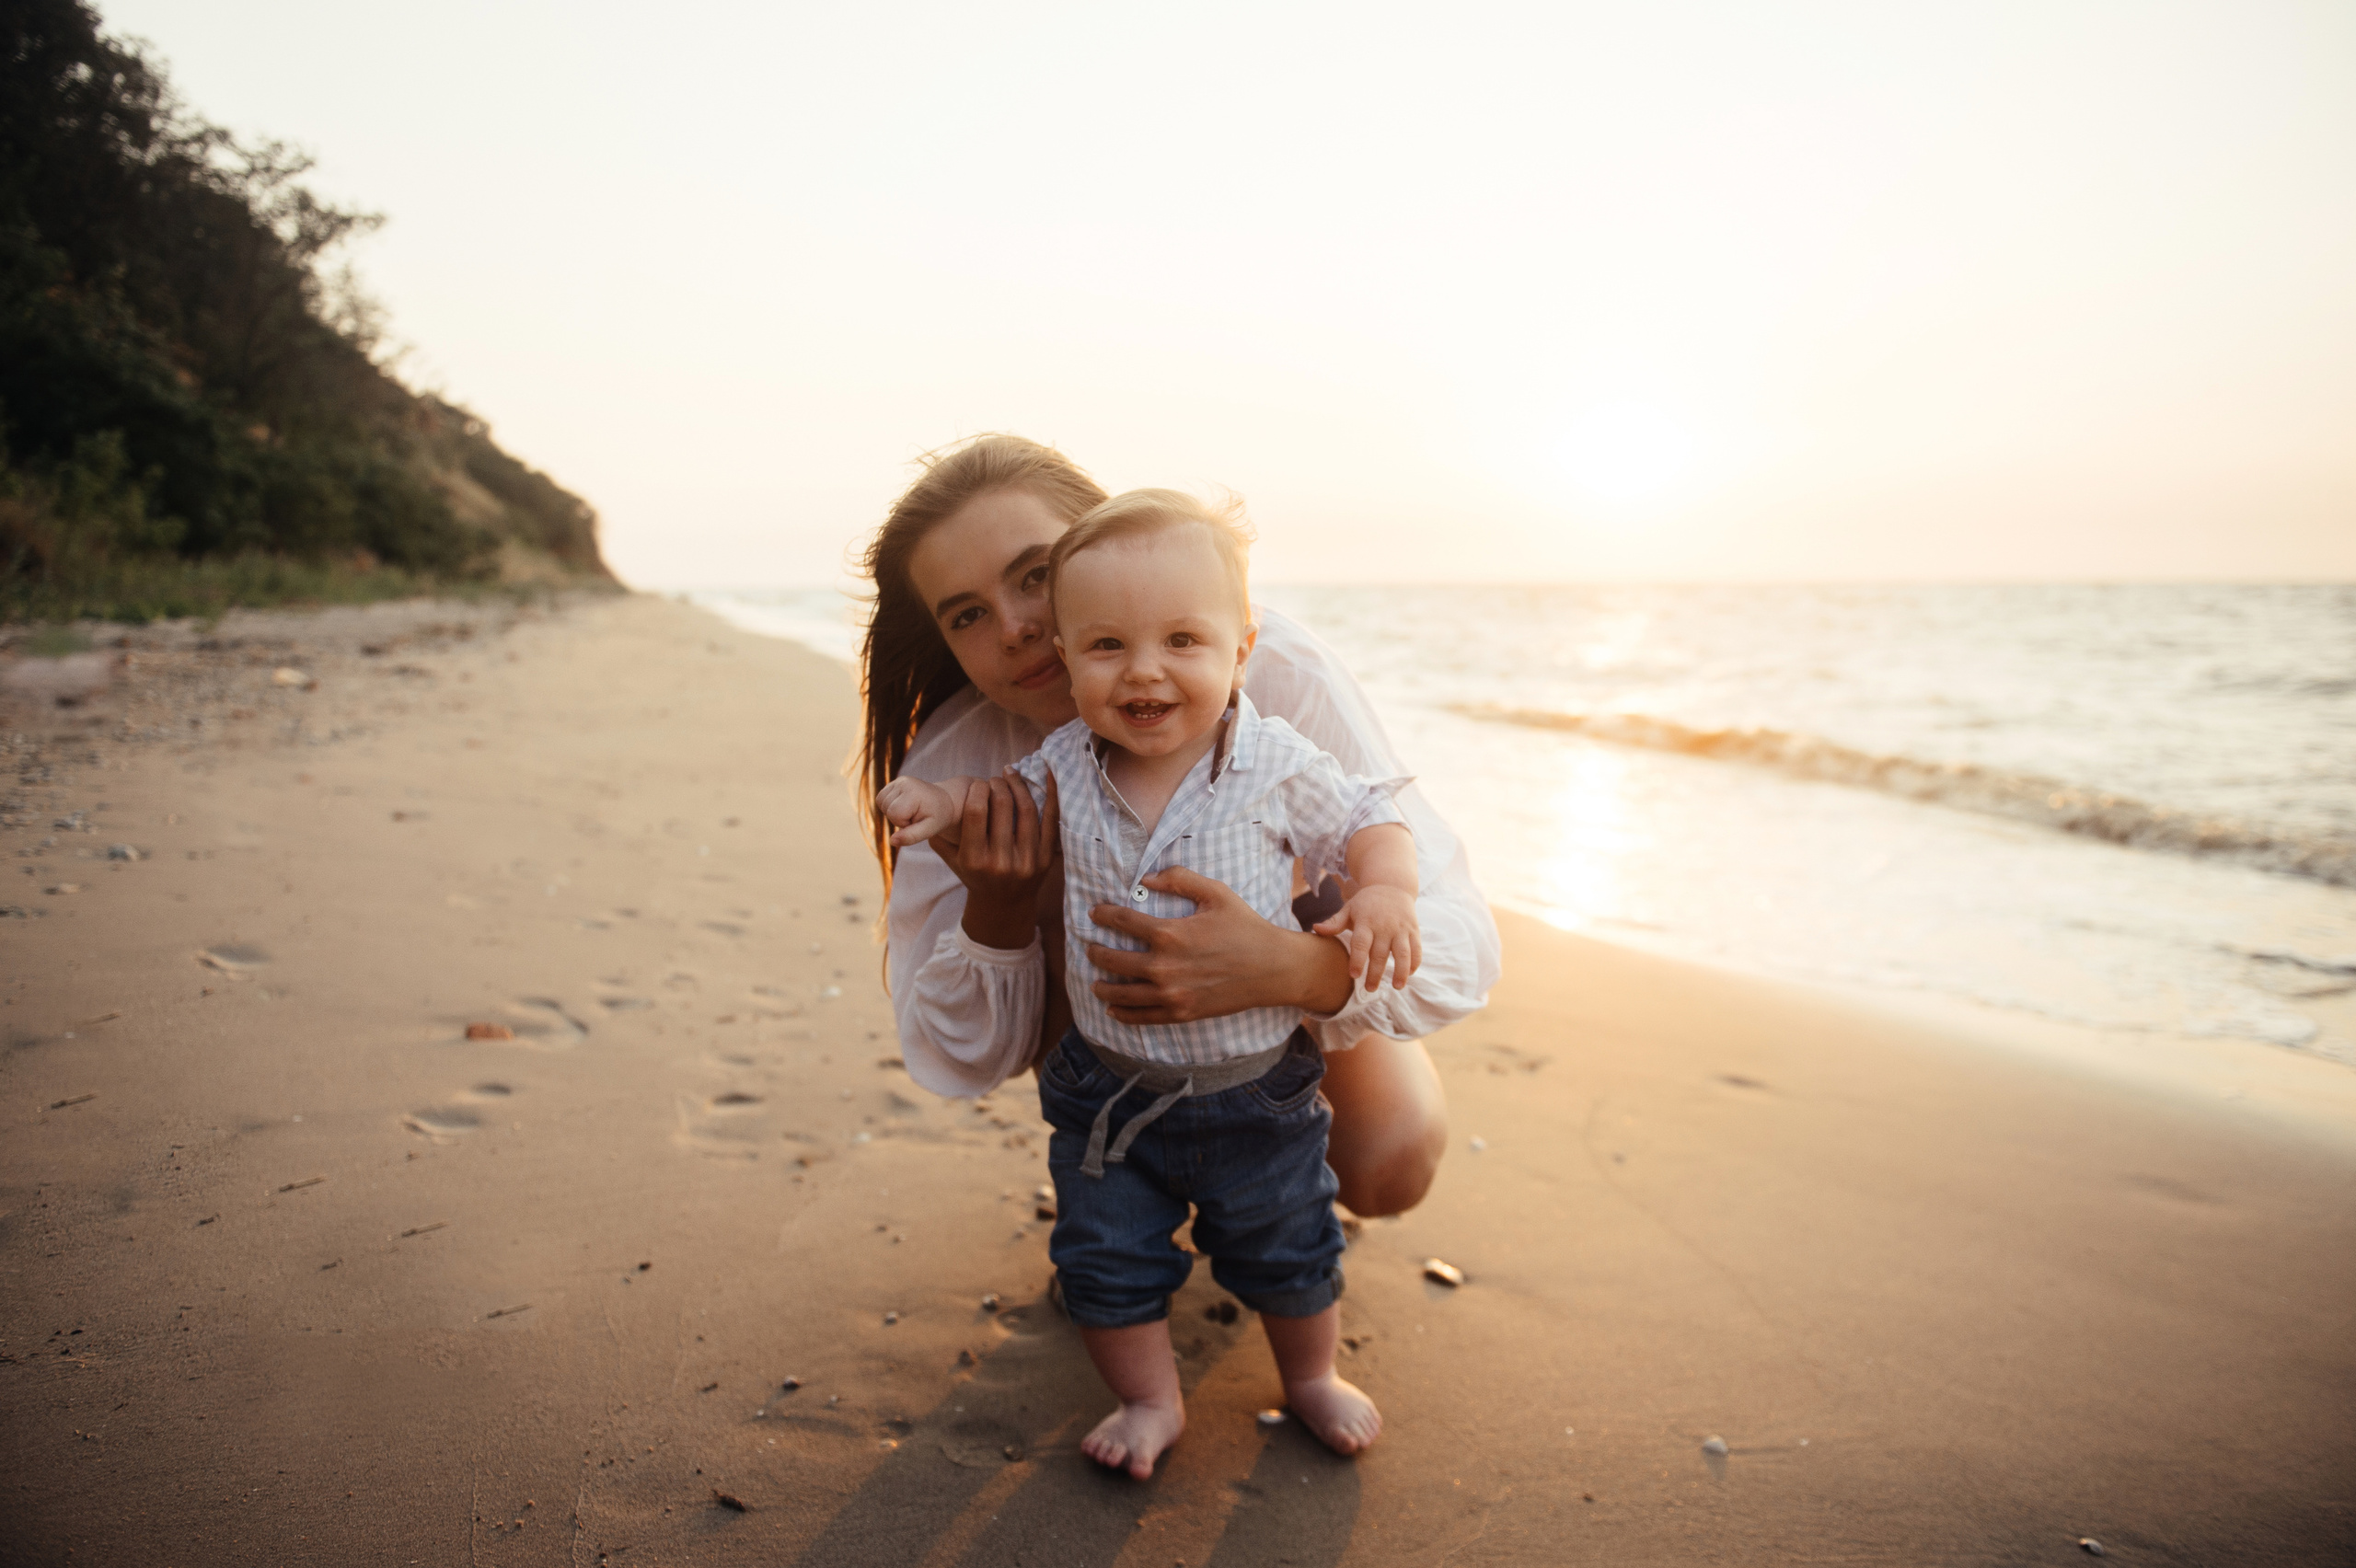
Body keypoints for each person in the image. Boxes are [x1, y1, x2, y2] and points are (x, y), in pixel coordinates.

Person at [877, 489, 1416, 1472]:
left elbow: (1368, 817)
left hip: (1259, 1085)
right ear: (1078, 651)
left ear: (1239, 648)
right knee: (1104, 1258)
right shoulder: (1065, 762)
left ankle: (1308, 1378)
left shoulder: (1273, 756)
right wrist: (933, 802)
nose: (1145, 672)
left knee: (1291, 1248)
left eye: (1180, 642)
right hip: (1108, 1094)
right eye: (1110, 649)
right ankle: (1150, 1399)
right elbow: (986, 798)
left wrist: (1377, 897)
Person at [854, 434, 1499, 1225]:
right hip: (1108, 1040)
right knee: (1071, 863)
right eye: (968, 615)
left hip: (1280, 1020)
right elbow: (956, 1057)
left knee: (1386, 1162)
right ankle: (1124, 1195)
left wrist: (1289, 968)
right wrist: (999, 905)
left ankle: (1264, 1161)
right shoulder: (963, 760)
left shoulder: (1271, 668)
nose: (1018, 627)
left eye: (1035, 574)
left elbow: (1463, 941)